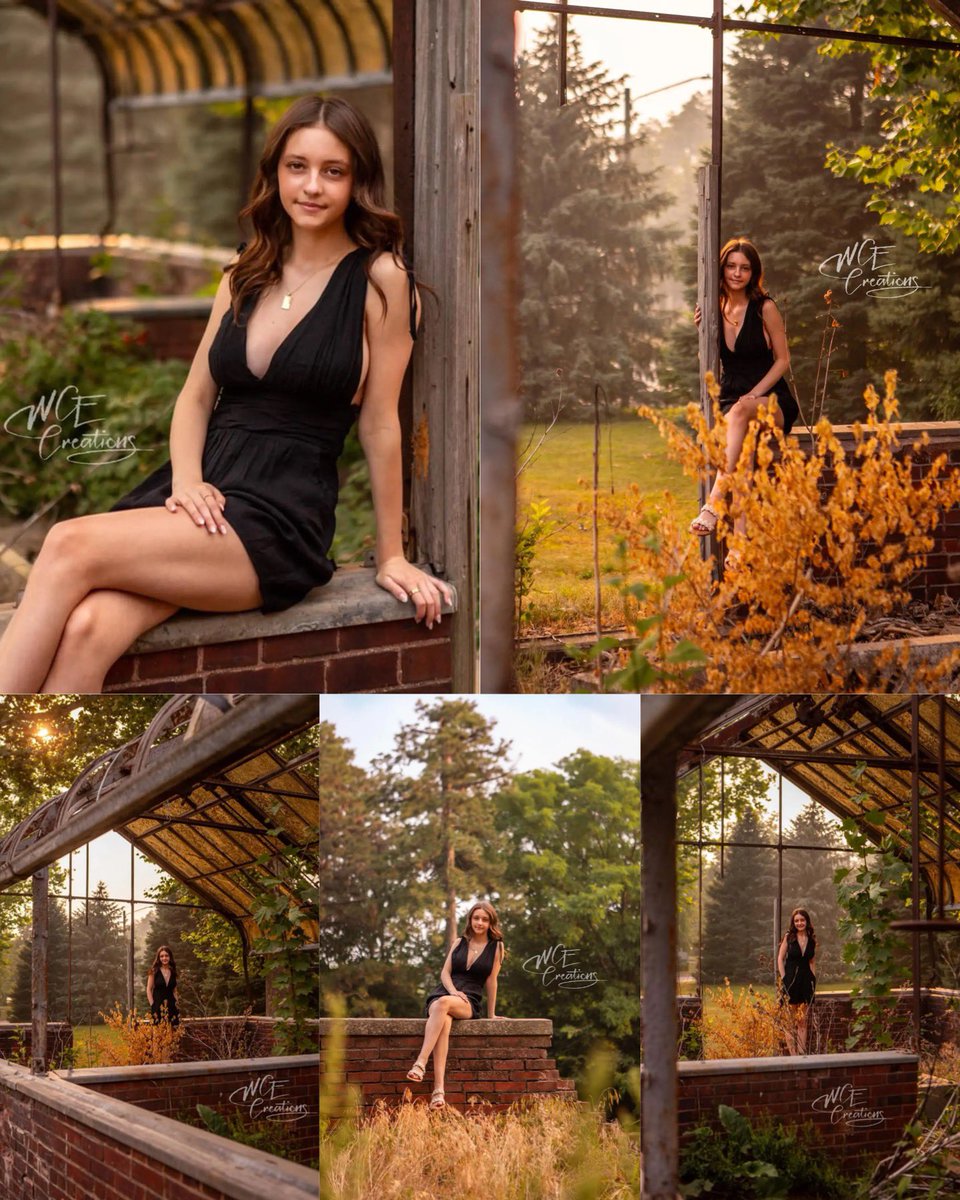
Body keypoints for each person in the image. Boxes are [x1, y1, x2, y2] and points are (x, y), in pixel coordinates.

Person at [0, 95, 451, 693]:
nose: (312, 186)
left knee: (65, 543)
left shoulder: (381, 280)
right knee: (88, 627)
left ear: (357, 181)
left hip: (276, 518)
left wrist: (390, 554)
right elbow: (194, 399)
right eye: (297, 166)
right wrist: (187, 482)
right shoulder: (246, 270)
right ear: (276, 173)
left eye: (332, 171)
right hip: (199, 496)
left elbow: (380, 423)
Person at [690, 237, 799, 556]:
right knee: (745, 449)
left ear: (754, 272)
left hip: (771, 400)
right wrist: (703, 332)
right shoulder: (713, 307)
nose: (737, 273)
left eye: (745, 268)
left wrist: (755, 394)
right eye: (731, 266)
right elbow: (708, 361)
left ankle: (713, 503)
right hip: (732, 396)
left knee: (742, 412)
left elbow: (783, 360)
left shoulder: (765, 307)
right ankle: (739, 549)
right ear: (722, 269)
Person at [406, 901, 505, 1110]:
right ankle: (438, 1091)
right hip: (444, 992)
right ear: (470, 920)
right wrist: (452, 991)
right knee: (444, 1019)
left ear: (490, 923)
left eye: (485, 919)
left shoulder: (496, 947)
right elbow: (444, 973)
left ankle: (420, 1062)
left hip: (469, 999)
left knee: (443, 1006)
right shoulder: (459, 942)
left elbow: (492, 981)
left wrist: (492, 1014)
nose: (479, 922)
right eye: (476, 918)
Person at [777, 908, 816, 1055]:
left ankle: (802, 1054)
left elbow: (812, 961)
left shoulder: (811, 939)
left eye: (802, 920)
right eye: (797, 920)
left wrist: (813, 979)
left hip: (806, 982)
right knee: (789, 1021)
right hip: (791, 981)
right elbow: (780, 959)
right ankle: (793, 1055)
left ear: (807, 921)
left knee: (802, 1021)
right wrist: (784, 978)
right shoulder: (789, 937)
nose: (800, 923)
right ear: (793, 923)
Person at [146, 945, 180, 1027]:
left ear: (170, 957)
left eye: (166, 956)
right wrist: (152, 1005)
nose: (164, 958)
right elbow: (148, 989)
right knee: (159, 1035)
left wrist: (177, 1003)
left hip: (172, 1007)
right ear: (158, 958)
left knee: (173, 1034)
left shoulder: (173, 971)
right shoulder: (153, 971)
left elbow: (175, 990)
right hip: (158, 1006)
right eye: (162, 956)